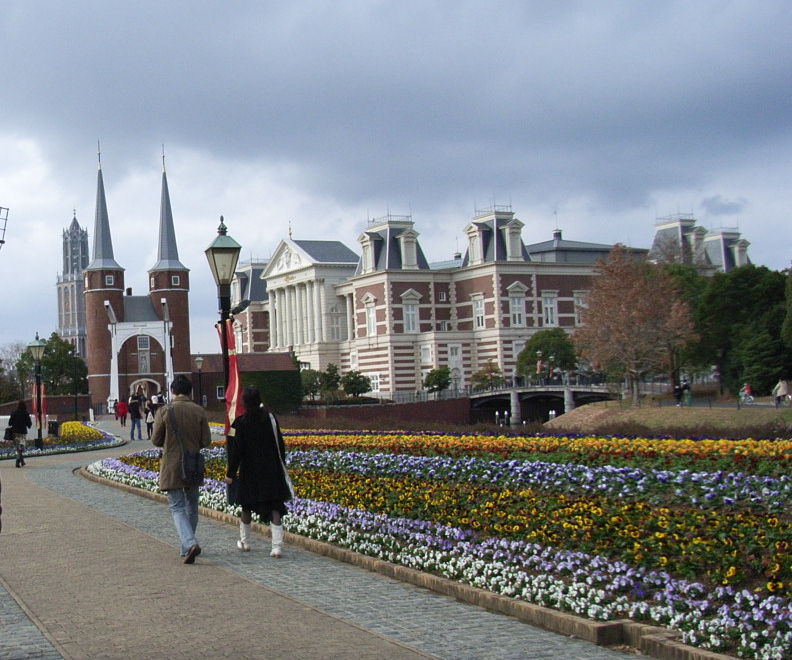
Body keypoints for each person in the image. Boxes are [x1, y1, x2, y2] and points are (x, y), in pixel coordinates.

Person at [224, 385, 292, 558]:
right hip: (271, 469)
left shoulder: (241, 422)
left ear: (244, 403)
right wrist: (281, 464)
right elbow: (280, 444)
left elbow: (237, 451)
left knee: (246, 506)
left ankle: (245, 542)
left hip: (250, 470)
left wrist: (230, 473)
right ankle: (277, 546)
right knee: (275, 506)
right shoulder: (270, 419)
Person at [152, 375, 211, 564]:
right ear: (189, 391)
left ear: (172, 391)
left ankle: (190, 543)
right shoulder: (198, 410)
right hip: (193, 464)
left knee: (177, 507)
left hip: (172, 464)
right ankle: (187, 546)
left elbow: (156, 440)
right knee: (192, 505)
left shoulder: (164, 411)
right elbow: (206, 440)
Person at [9, 400, 32, 468]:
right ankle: (18, 460)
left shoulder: (14, 413)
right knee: (21, 447)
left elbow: (10, 423)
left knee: (18, 447)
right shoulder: (26, 413)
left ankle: (22, 461)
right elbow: (29, 424)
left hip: (15, 432)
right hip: (22, 432)